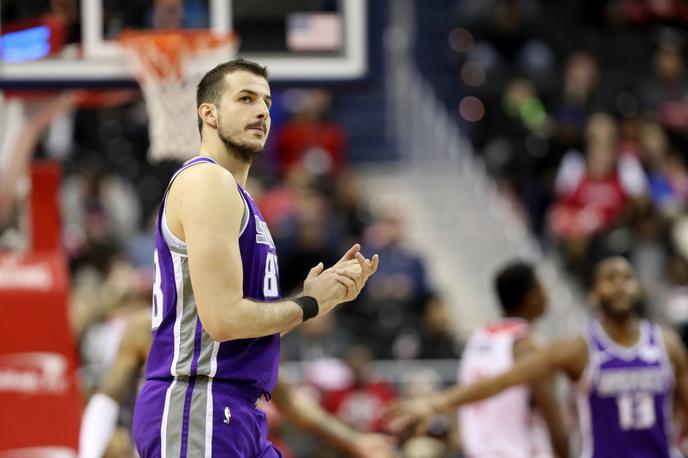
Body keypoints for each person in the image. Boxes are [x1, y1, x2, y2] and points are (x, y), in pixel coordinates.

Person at [132, 58, 379, 457]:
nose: (262, 110)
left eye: (266, 101)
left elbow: (239, 333)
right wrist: (309, 304)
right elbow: (224, 321)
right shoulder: (207, 181)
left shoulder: (242, 200)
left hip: (235, 407)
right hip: (199, 402)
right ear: (208, 113)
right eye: (245, 98)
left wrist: (318, 298)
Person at [389, 257, 688, 458]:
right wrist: (438, 402)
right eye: (610, 278)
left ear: (639, 287)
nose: (620, 284)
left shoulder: (668, 345)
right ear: (594, 293)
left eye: (627, 277)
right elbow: (505, 380)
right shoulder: (577, 348)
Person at [79, 309, 396, 458]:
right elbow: (108, 394)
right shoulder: (147, 327)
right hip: (167, 437)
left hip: (235, 434)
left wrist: (353, 441)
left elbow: (290, 400)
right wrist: (89, 454)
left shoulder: (243, 327)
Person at [456, 261, 568, 457]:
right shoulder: (527, 347)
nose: (546, 294)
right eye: (542, 288)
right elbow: (551, 414)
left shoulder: (477, 338)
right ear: (531, 297)